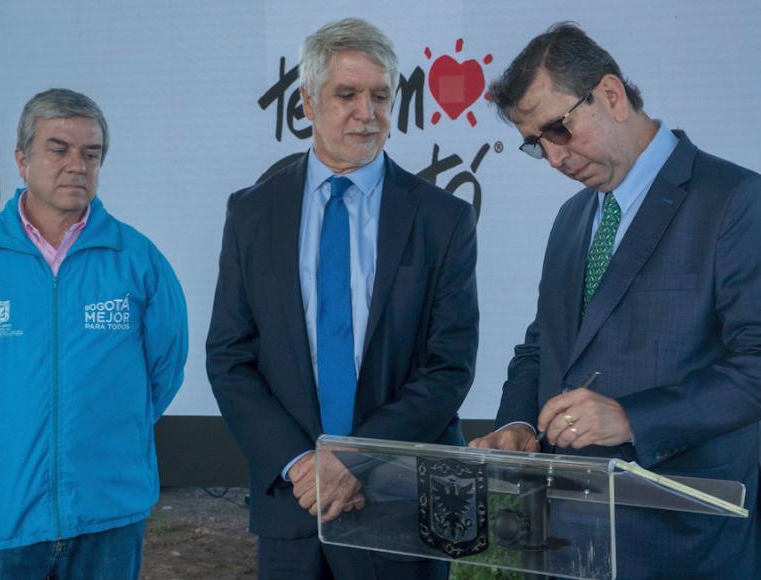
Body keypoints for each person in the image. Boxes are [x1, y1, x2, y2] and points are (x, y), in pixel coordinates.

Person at [469, 22, 761, 577]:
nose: (554, 159)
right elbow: (543, 350)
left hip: (687, 545)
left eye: (559, 129)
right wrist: (519, 427)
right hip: (565, 543)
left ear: (610, 94)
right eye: (537, 144)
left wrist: (634, 419)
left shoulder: (736, 201)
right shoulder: (571, 219)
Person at [206, 17, 478, 580]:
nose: (368, 111)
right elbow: (230, 357)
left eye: (381, 95)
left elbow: (449, 365)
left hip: (399, 505)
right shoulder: (252, 213)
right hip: (292, 503)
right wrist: (303, 465)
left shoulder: (443, 218)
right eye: (347, 94)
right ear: (306, 101)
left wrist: (354, 460)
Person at [0, 88, 188, 579]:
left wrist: (103, 433)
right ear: (21, 159)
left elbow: (164, 372)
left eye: (90, 154)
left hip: (108, 516)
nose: (77, 165)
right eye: (59, 149)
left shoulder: (138, 260)